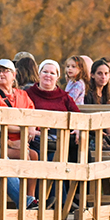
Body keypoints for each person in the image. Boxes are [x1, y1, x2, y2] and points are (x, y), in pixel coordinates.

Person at [26, 60, 82, 210]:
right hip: (35, 141)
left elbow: (78, 116)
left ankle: (62, 202)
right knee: (46, 160)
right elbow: (21, 113)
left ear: (57, 77)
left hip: (57, 142)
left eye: (52, 73)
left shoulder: (64, 97)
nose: (48, 76)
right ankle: (50, 201)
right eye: (45, 72)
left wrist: (77, 128)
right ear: (39, 74)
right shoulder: (28, 94)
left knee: (57, 159)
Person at [0, 58, 38, 208]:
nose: (1, 74)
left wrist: (31, 127)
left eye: (5, 71)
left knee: (33, 155)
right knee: (24, 155)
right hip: (2, 141)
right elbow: (1, 123)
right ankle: (22, 200)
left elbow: (32, 114)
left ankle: (31, 197)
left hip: (22, 140)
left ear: (14, 75)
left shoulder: (22, 94)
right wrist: (22, 129)